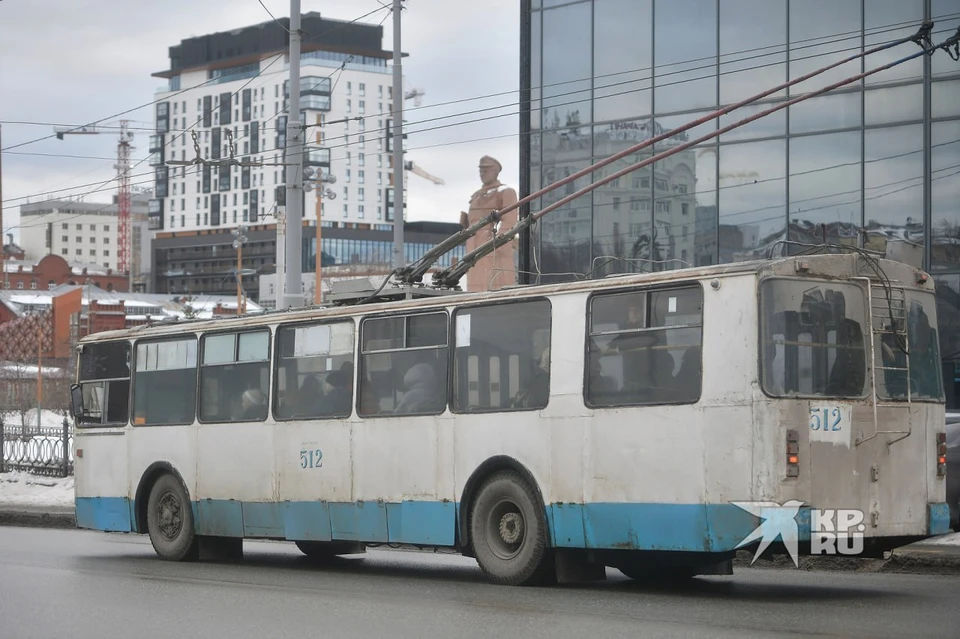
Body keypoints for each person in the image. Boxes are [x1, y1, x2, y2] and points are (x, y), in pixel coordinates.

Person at [459, 156, 519, 292]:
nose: (482, 174)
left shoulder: (505, 192)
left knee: (493, 281)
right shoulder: (476, 195)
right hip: (473, 243)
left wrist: (497, 240)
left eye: (486, 170)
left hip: (492, 244)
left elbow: (509, 220)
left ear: (495, 171)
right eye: (481, 171)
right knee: (475, 282)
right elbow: (474, 221)